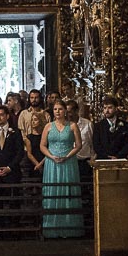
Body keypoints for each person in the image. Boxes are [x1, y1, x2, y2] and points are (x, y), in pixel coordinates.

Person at [40, 99, 84, 238]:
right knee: (52, 192)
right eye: (55, 109)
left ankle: (70, 228)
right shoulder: (48, 127)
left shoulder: (72, 126)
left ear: (65, 110)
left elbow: (78, 145)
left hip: (68, 163)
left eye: (60, 109)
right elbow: (42, 145)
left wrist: (67, 156)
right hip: (52, 164)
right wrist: (51, 157)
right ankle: (52, 228)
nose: (57, 112)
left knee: (68, 192)